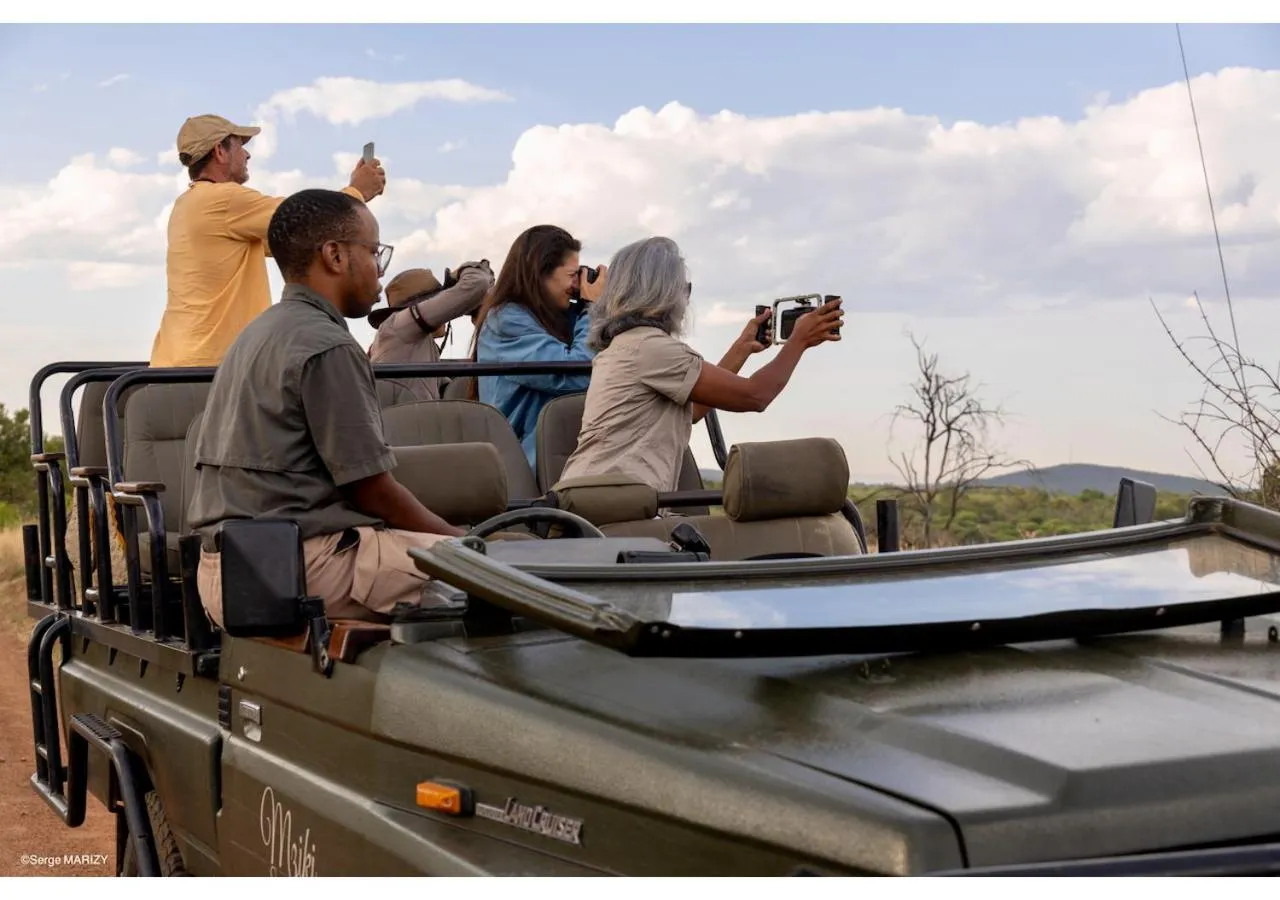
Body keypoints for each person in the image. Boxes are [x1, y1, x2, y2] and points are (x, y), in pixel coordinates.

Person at [186, 188, 466, 630]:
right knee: (496, 578)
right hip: (297, 568)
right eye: (373, 252)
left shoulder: (258, 332)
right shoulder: (327, 344)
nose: (379, 270)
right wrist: (461, 540)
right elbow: (371, 489)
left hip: (233, 568)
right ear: (335, 255)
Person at [558, 236, 843, 493]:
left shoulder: (629, 346)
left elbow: (692, 411)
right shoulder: (650, 348)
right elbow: (756, 395)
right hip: (615, 506)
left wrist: (742, 348)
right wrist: (799, 341)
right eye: (684, 288)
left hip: (599, 498)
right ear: (663, 292)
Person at [149, 113, 387, 368]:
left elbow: (291, 238)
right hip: (209, 364)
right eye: (240, 145)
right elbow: (306, 219)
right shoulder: (224, 200)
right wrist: (357, 191)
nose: (247, 154)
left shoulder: (188, 204)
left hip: (176, 361)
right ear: (220, 151)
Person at [470, 224, 607, 468]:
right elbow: (577, 372)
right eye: (572, 275)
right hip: (522, 463)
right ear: (540, 272)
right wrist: (592, 307)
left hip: (552, 452)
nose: (576, 284)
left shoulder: (556, 317)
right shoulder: (506, 320)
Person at [367, 260, 495, 402]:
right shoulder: (400, 324)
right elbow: (479, 283)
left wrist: (481, 316)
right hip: (403, 415)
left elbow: (453, 390)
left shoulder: (418, 346)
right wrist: (458, 274)